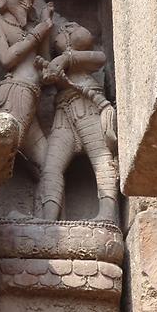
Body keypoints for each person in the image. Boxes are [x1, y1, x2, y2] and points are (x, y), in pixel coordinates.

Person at [37, 21, 119, 222]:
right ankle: (48, 219)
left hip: (87, 106)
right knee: (51, 168)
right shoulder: (57, 61)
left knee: (101, 158)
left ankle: (107, 215)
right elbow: (45, 76)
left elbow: (100, 58)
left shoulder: (81, 58)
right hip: (63, 114)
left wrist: (67, 58)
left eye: (62, 32)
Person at [0, 0, 53, 174]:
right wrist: (38, 34)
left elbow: (44, 64)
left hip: (31, 95)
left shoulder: (31, 29)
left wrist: (45, 25)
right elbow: (6, 59)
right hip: (14, 95)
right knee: (2, 158)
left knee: (50, 165)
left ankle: (43, 207)